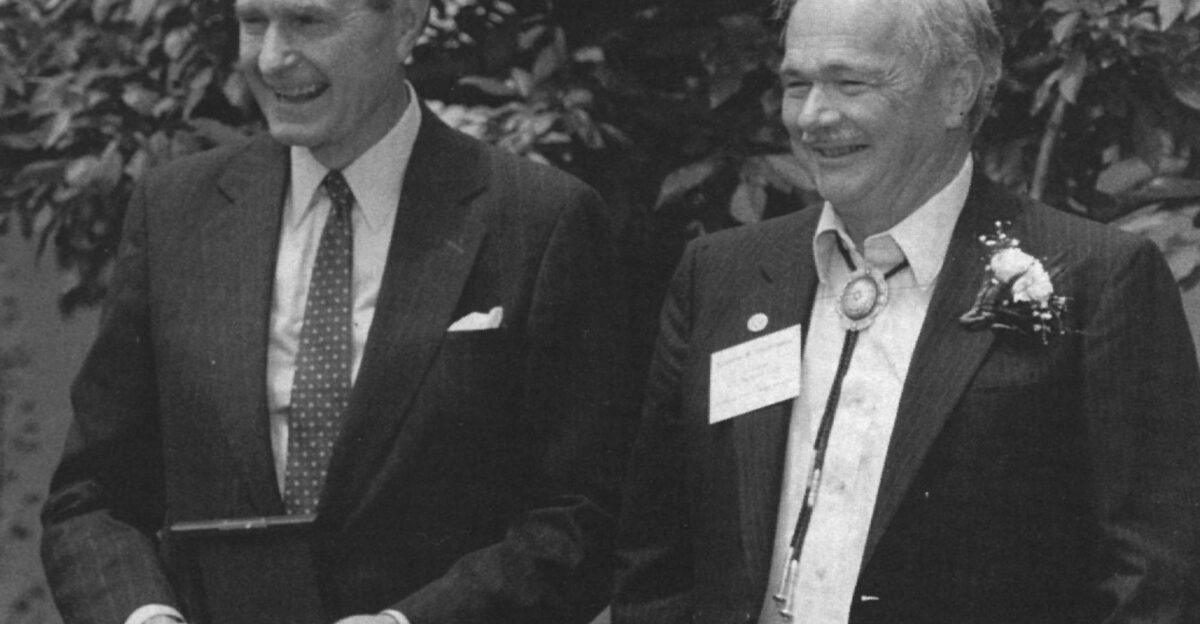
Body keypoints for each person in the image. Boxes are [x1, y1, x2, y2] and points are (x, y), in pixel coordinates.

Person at [39, 0, 634, 623]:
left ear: (406, 24)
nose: (271, 58)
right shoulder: (174, 211)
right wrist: (144, 616)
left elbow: (584, 511)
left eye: (308, 21)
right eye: (252, 22)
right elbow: (92, 498)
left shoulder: (537, 220)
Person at [612, 0, 1200, 622]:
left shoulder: (1098, 277)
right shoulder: (721, 274)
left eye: (851, 83)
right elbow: (657, 552)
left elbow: (1154, 578)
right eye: (796, 84)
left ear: (957, 91)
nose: (814, 116)